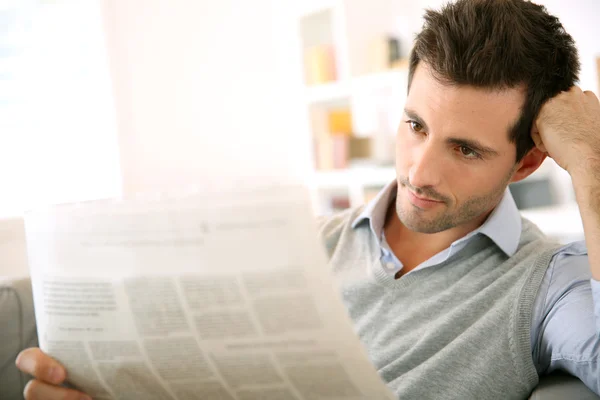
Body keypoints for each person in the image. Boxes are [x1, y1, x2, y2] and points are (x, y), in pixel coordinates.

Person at [15, 0, 600, 398]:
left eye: (465, 150)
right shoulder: (307, 243)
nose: (419, 171)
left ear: (527, 161)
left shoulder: (547, 283)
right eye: (415, 125)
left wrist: (591, 162)